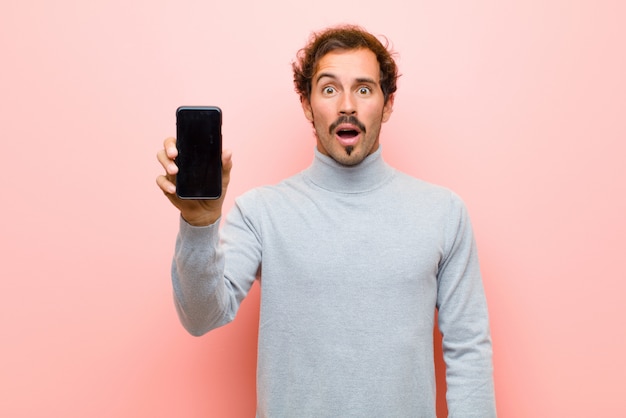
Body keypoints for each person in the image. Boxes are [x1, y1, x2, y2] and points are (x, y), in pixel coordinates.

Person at [156, 24, 496, 417]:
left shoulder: (443, 213)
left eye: (364, 89)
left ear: (387, 105)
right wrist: (199, 227)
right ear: (307, 104)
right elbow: (200, 317)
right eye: (330, 89)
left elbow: (469, 347)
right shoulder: (262, 213)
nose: (347, 105)